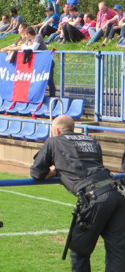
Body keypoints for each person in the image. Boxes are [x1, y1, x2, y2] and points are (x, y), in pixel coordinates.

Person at [31, 115, 125, 272]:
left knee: (79, 250)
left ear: (56, 130)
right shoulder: (91, 140)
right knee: (118, 251)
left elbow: (36, 172)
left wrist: (55, 171)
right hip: (116, 193)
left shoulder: (54, 141)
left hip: (95, 197)